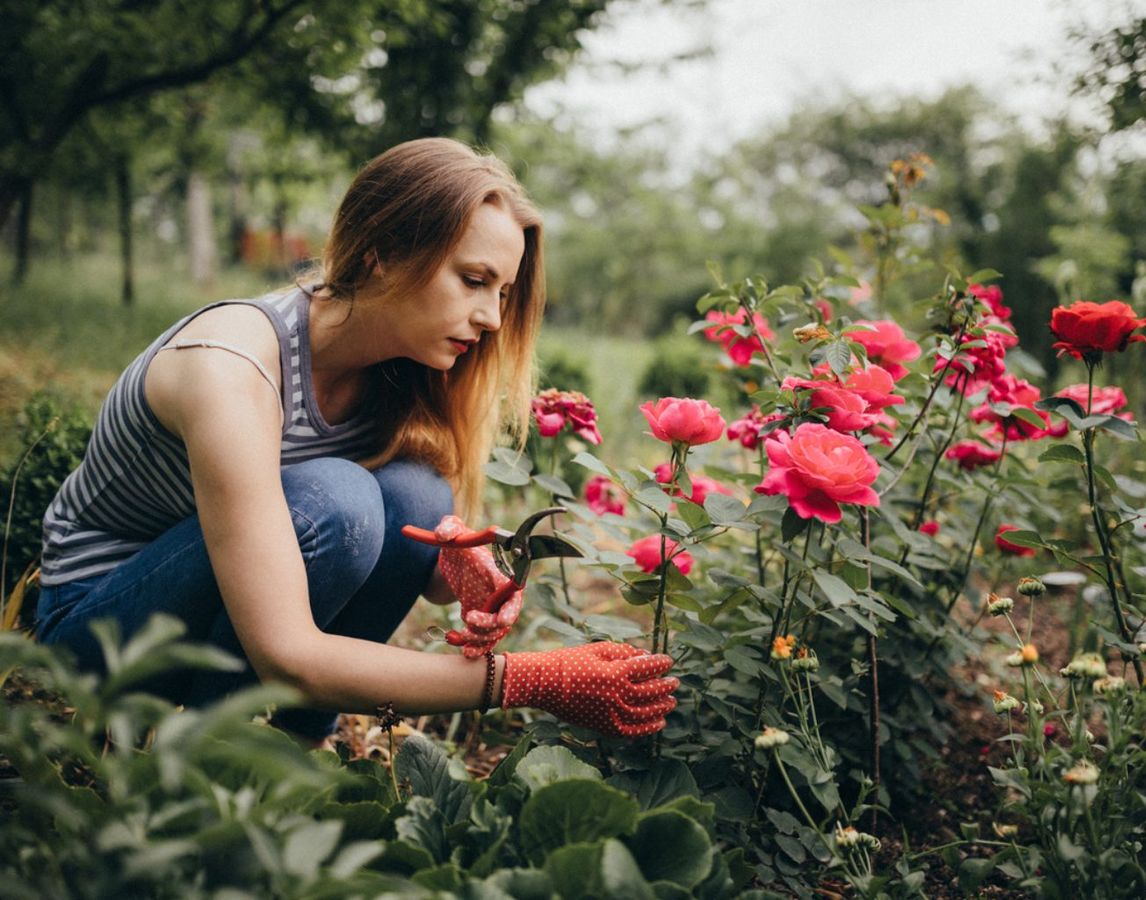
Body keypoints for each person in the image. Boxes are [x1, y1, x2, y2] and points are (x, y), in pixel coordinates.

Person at [34, 138, 677, 742]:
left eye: (503, 293)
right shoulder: (232, 366)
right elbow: (287, 653)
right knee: (336, 501)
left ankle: (284, 763)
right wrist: (533, 678)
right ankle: (198, 777)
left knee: (417, 493)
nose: (491, 318)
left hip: (216, 607)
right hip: (99, 627)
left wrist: (460, 568)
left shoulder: (397, 378)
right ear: (381, 255)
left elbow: (419, 576)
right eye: (474, 280)